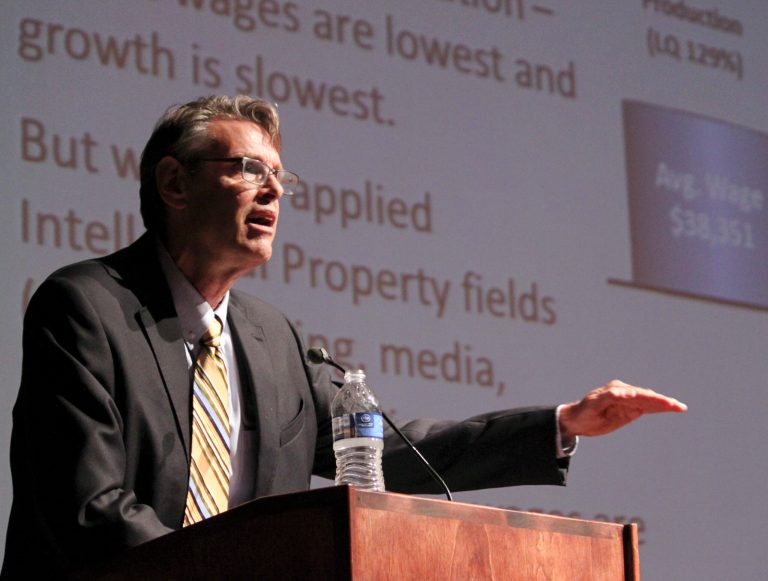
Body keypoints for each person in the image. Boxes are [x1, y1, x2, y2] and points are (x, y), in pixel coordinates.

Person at [1, 95, 686, 579]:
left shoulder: (272, 338)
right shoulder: (86, 307)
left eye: (279, 177)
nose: (271, 192)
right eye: (247, 170)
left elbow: (385, 454)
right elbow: (87, 507)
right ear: (174, 183)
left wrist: (561, 423)